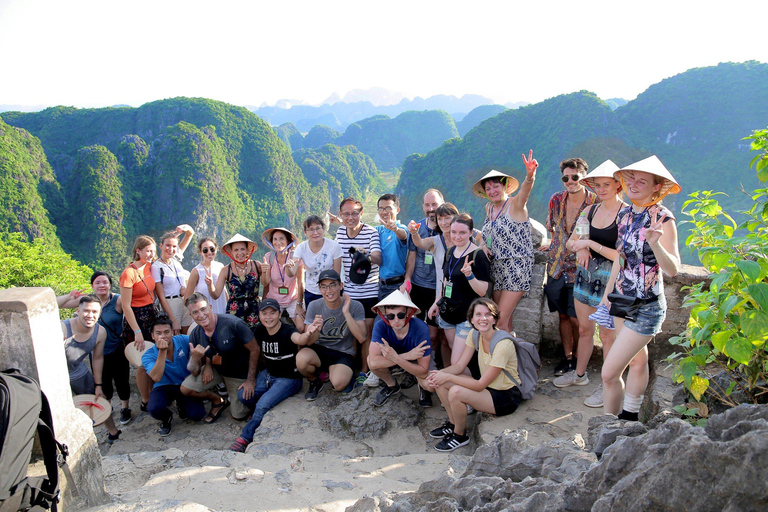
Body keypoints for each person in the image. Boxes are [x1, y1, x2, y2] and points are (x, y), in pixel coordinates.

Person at [600, 156, 681, 421]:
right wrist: (606, 296)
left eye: (642, 181)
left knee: (609, 374)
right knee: (636, 360)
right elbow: (621, 258)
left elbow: (673, 269)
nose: (634, 184)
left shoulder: (664, 219)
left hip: (646, 307)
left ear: (657, 187)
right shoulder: (625, 213)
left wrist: (655, 244)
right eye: (631, 178)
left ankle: (610, 427)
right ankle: (630, 416)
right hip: (622, 299)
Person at [554, 160, 626, 409]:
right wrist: (580, 245)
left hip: (611, 281)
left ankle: (608, 384)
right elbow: (571, 243)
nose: (602, 189)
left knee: (607, 336)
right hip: (585, 278)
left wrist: (589, 245)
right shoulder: (590, 212)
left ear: (619, 185)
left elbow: (621, 255)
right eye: (598, 185)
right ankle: (580, 374)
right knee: (584, 330)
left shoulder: (625, 215)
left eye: (607, 184)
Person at [427, 298, 522, 452]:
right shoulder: (475, 334)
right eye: (478, 314)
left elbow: (480, 385)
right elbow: (459, 366)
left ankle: (460, 435)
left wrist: (448, 376)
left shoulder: (503, 344)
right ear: (471, 319)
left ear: (495, 319)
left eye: (488, 314)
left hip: (505, 396)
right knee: (440, 381)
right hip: (488, 388)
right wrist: (438, 374)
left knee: (456, 392)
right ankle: (453, 424)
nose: (483, 319)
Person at [229, 299, 324, 452]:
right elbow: (251, 349)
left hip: (288, 379)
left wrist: (308, 333)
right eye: (264, 313)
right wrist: (250, 380)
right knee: (242, 395)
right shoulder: (260, 330)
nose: (269, 317)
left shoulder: (288, 330)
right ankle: (258, 416)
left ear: (280, 314)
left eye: (272, 313)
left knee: (262, 404)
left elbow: (299, 339)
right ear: (259, 315)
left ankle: (245, 437)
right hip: (269, 375)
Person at [473, 151, 539, 333]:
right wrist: (484, 245)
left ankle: (502, 360)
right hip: (497, 268)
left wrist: (530, 176)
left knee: (499, 321)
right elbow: (486, 235)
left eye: (496, 186)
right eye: (488, 189)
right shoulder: (489, 208)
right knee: (505, 323)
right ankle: (510, 359)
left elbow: (525, 192)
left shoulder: (515, 205)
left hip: (516, 267)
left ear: (505, 187)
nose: (492, 191)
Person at [543, 158, 597, 376]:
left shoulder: (595, 202)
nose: (570, 181)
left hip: (582, 268)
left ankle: (578, 357)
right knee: (563, 316)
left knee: (578, 318)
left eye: (575, 177)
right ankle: (566, 358)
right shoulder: (556, 200)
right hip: (557, 265)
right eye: (566, 177)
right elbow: (552, 228)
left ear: (584, 176)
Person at [57, 271, 132, 425]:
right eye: (97, 282)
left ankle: (125, 408)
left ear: (110, 285)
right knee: (103, 382)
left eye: (105, 282)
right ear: (92, 286)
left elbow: (131, 309)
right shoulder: (86, 302)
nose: (101, 285)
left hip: (116, 348)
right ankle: (107, 406)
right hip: (96, 349)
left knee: (122, 380)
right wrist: (70, 296)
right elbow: (53, 305)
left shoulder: (117, 300)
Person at [182, 292, 261, 421]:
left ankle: (238, 394)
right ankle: (218, 400)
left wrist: (251, 379)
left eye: (203, 309)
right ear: (191, 315)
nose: (201, 315)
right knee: (186, 388)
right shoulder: (195, 334)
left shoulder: (233, 324)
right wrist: (196, 359)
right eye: (195, 312)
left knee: (238, 415)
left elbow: (255, 349)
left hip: (238, 373)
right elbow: (195, 372)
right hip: (217, 369)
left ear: (210, 308)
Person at [427, 213, 491, 371]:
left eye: (462, 232)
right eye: (454, 232)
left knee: (457, 362)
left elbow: (483, 291)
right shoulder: (450, 252)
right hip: (449, 313)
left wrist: (469, 275)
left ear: (471, 233)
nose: (457, 236)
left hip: (466, 315)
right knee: (457, 357)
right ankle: (463, 389)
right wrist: (436, 303)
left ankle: (468, 390)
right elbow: (446, 281)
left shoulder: (478, 255)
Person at [407, 201, 459, 383]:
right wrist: (414, 232)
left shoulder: (464, 237)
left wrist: (485, 244)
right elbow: (420, 243)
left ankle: (455, 375)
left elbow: (480, 237)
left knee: (455, 341)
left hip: (462, 298)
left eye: (448, 218)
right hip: (442, 297)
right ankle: (444, 374)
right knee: (443, 338)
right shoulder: (436, 241)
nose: (444, 222)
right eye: (441, 219)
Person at [297, 269, 367, 400]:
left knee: (339, 384)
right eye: (323, 286)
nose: (328, 290)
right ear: (319, 289)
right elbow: (309, 342)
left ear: (341, 286)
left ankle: (336, 373)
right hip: (319, 350)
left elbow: (362, 338)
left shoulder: (355, 306)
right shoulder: (314, 306)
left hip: (343, 353)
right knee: (301, 360)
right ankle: (315, 381)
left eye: (332, 285)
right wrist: (315, 330)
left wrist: (346, 312)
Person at [61, 295, 122, 443]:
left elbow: (97, 358)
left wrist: (98, 385)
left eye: (95, 312)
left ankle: (113, 431)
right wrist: (68, 297)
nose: (90, 315)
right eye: (86, 311)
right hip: (58, 376)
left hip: (78, 371)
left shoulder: (100, 332)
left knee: (99, 399)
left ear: (100, 313)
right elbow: (45, 306)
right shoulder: (63, 328)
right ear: (77, 311)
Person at [334, 197, 382, 378]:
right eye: (346, 214)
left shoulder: (370, 233)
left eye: (354, 213)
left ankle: (365, 371)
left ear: (361, 214)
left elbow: (378, 258)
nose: (350, 217)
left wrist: (367, 255)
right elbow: (337, 263)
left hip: (369, 291)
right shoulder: (339, 233)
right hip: (349, 293)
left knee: (367, 333)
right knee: (352, 333)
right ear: (341, 215)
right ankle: (352, 369)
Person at [367, 291, 433, 407]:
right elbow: (373, 361)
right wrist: (406, 356)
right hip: (401, 357)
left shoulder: (420, 328)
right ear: (385, 316)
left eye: (400, 315)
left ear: (408, 313)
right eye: (391, 316)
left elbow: (423, 371)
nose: (396, 320)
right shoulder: (380, 326)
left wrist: (399, 358)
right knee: (371, 361)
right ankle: (391, 385)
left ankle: (422, 387)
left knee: (429, 385)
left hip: (415, 360)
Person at [142, 317, 206, 436]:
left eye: (166, 332)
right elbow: (156, 377)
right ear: (152, 336)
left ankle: (182, 405)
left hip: (185, 384)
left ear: (172, 332)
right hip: (164, 385)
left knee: (197, 415)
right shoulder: (148, 355)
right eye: (158, 333)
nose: (163, 336)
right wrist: (162, 351)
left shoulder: (182, 340)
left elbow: (201, 344)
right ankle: (166, 417)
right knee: (153, 408)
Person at [119, 235, 158, 410]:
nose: (151, 254)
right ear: (138, 250)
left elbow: (175, 251)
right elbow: (126, 306)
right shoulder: (129, 273)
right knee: (142, 362)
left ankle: (153, 392)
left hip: (151, 315)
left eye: (152, 251)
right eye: (147, 250)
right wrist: (137, 331)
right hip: (136, 319)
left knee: (153, 356)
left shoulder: (149, 267)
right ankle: (145, 399)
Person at [208, 233, 268, 332]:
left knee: (256, 339)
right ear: (231, 252)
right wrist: (209, 285)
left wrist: (265, 271)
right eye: (236, 250)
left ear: (248, 250)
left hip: (255, 310)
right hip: (234, 313)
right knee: (237, 342)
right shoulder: (226, 270)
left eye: (242, 249)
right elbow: (215, 295)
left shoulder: (256, 265)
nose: (239, 253)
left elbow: (265, 284)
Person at [286, 215, 342, 310]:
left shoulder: (334, 246)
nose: (315, 232)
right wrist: (288, 267)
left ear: (323, 229)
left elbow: (336, 275)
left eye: (318, 228)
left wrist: (333, 292)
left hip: (331, 291)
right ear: (305, 232)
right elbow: (291, 273)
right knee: (313, 322)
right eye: (311, 229)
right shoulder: (301, 248)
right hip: (311, 292)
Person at [261, 227, 305, 330]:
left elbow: (301, 282)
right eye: (275, 239)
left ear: (288, 241)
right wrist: (264, 271)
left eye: (281, 239)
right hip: (274, 299)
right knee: (269, 327)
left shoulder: (295, 257)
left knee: (301, 327)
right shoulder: (269, 257)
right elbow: (265, 282)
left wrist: (299, 304)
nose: (278, 242)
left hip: (292, 299)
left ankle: (300, 346)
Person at [152, 231, 193, 335]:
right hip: (170, 304)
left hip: (184, 301)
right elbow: (161, 297)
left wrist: (183, 286)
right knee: (175, 337)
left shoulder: (176, 261)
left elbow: (190, 234)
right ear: (161, 246)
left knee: (187, 334)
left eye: (174, 246)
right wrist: (173, 319)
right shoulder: (156, 267)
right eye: (168, 245)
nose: (171, 249)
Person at [375, 194, 409, 300]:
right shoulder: (379, 230)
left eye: (388, 208)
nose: (384, 212)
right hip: (380, 285)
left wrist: (395, 229)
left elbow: (403, 236)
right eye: (381, 209)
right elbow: (362, 229)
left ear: (397, 210)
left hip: (396, 285)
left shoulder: (401, 228)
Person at [184, 237, 228, 314]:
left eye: (212, 249)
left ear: (216, 249)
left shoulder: (220, 266)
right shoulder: (196, 271)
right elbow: (187, 299)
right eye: (205, 250)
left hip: (222, 309)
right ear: (200, 252)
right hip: (205, 315)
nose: (209, 252)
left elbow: (224, 290)